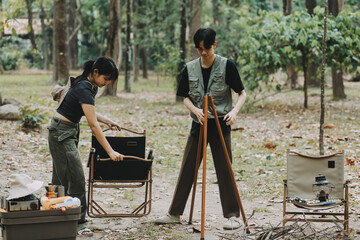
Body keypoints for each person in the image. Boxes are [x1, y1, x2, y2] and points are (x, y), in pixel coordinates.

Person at [155, 28, 247, 230]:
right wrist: (195, 110)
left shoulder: (227, 66)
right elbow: (184, 97)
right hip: (199, 123)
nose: (203, 53)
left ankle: (232, 216)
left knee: (225, 169)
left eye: (206, 48)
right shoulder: (189, 68)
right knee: (187, 167)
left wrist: (235, 112)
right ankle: (174, 213)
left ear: (215, 45)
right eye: (199, 49)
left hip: (221, 123)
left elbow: (242, 93)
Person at [48, 56, 124, 223]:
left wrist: (107, 121)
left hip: (65, 131)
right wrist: (110, 151)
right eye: (106, 78)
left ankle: (57, 216)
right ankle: (78, 222)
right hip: (61, 133)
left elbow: (87, 110)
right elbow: (93, 125)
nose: (107, 83)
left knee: (62, 178)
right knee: (75, 179)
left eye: (110, 80)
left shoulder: (90, 85)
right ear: (95, 72)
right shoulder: (84, 87)